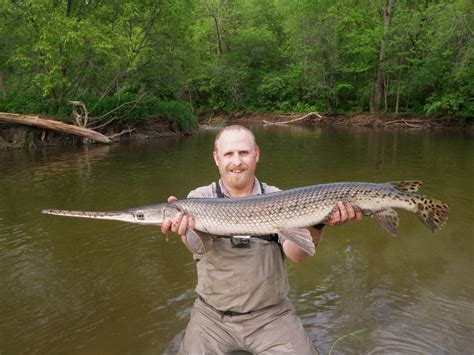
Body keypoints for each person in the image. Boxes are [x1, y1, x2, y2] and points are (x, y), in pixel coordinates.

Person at [161, 125, 362, 354]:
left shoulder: (279, 197)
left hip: (272, 316)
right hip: (211, 318)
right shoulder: (199, 199)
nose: (236, 162)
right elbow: (201, 247)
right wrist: (186, 232)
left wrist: (317, 223)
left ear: (257, 154)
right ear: (217, 159)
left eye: (243, 153)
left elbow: (296, 255)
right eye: (228, 154)